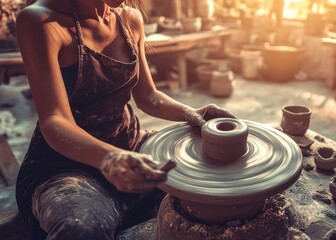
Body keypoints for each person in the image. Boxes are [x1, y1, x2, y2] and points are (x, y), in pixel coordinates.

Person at [15, 0, 236, 239]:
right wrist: (109, 158)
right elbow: (54, 120)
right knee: (84, 228)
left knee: (205, 176)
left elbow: (148, 97)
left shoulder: (129, 19)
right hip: (64, 168)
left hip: (129, 145)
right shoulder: (40, 21)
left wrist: (192, 113)